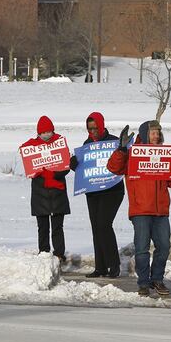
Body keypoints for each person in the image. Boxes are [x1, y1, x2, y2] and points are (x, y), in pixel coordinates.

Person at [107, 120, 171, 296]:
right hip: (140, 210)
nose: (156, 136)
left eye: (158, 133)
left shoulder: (165, 154)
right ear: (145, 134)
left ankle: (157, 279)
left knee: (163, 246)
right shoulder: (132, 154)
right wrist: (121, 150)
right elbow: (113, 168)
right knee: (141, 249)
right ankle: (143, 283)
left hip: (161, 210)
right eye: (153, 133)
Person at [69, 112, 125, 278]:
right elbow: (84, 169)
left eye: (95, 128)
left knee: (104, 225)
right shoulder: (86, 144)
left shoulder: (114, 142)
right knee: (96, 227)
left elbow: (123, 163)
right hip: (93, 191)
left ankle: (114, 265)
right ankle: (100, 267)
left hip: (113, 190)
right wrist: (74, 165)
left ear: (101, 126)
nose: (92, 131)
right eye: (89, 128)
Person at [21, 116, 70, 261]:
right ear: (38, 133)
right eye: (44, 132)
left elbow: (66, 167)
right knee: (42, 227)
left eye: (49, 131)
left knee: (57, 227)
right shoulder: (31, 147)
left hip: (58, 193)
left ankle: (59, 254)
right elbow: (31, 169)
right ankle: (43, 253)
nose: (47, 134)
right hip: (40, 193)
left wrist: (54, 173)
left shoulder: (60, 144)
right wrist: (39, 171)